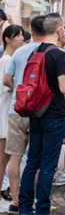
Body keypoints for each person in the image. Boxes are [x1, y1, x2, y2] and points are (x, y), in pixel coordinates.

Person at [18, 12, 65, 215]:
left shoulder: (35, 52)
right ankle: (42, 213)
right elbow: (64, 87)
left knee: (32, 163)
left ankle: (25, 213)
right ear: (59, 30)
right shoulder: (58, 55)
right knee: (48, 165)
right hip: (54, 115)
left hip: (36, 113)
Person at [2, 16, 43, 213]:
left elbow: (7, 80)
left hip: (16, 109)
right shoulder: (46, 51)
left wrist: (17, 89)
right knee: (35, 158)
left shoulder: (18, 53)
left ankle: (15, 200)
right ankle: (31, 199)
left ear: (31, 31)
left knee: (15, 157)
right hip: (37, 111)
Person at [0, 25, 27, 200]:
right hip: (6, 112)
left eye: (22, 36)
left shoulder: (8, 58)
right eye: (16, 36)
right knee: (4, 159)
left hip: (6, 110)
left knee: (5, 158)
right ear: (7, 39)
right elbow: (7, 84)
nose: (21, 39)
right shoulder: (8, 60)